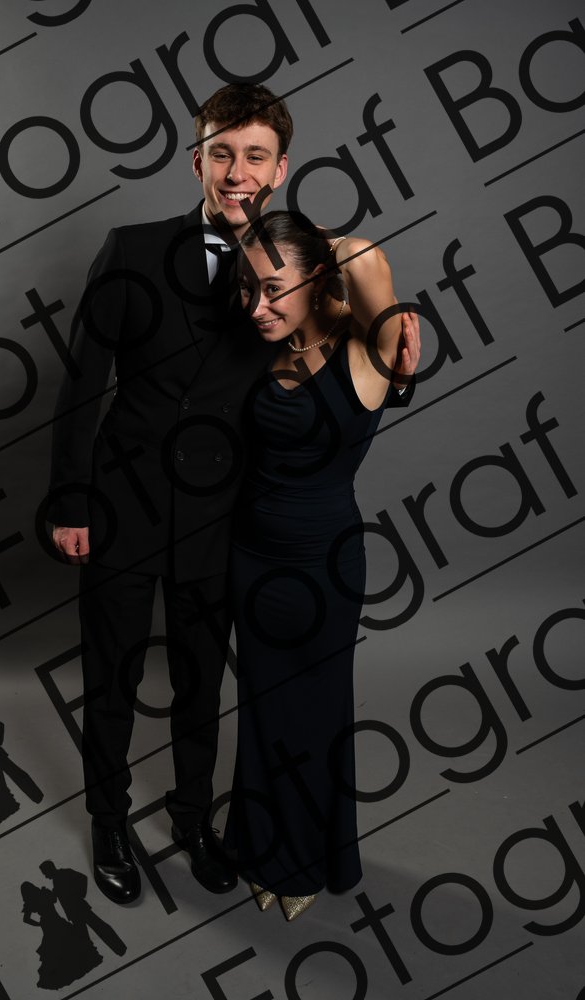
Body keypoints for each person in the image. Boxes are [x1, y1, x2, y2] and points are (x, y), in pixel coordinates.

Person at [48, 82, 420, 905]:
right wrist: (70, 502)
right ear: (197, 162)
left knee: (199, 684)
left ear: (281, 169)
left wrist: (399, 358)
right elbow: (81, 383)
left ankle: (192, 822)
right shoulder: (131, 248)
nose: (236, 171)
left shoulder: (290, 273)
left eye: (256, 156)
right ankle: (109, 824)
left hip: (221, 518)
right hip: (119, 507)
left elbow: (357, 356)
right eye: (221, 153)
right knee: (111, 679)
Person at [223, 210, 411, 920]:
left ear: (318, 278)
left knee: (314, 711)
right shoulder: (263, 346)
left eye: (273, 289)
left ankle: (303, 860)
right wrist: (273, 265)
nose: (257, 306)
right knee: (261, 706)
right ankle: (256, 845)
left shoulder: (371, 348)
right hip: (249, 559)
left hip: (320, 567)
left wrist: (313, 247)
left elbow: (367, 259)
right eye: (248, 290)